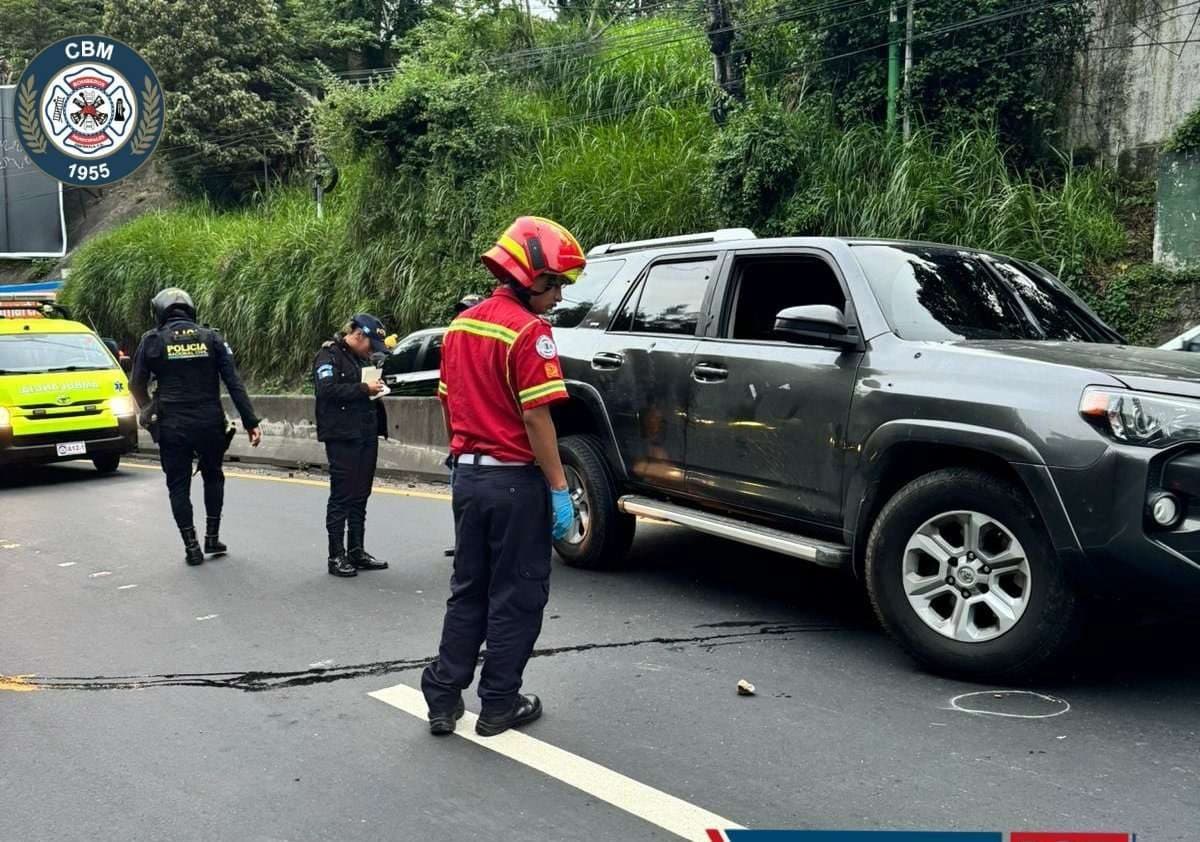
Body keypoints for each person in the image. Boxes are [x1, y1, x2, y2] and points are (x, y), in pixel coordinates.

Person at [422, 216, 582, 738]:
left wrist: (465, 453)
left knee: (468, 588)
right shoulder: (530, 332)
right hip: (515, 483)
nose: (558, 295)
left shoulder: (461, 326)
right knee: (517, 594)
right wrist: (560, 489)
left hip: (468, 479)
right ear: (530, 277)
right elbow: (538, 417)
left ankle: (444, 698)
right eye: (555, 283)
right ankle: (498, 704)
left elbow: (449, 403)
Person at [131, 288, 262, 566]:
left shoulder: (152, 341)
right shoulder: (211, 338)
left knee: (178, 485)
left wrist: (148, 409)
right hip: (209, 422)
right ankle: (212, 537)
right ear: (190, 310)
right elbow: (234, 382)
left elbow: (136, 384)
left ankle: (191, 547)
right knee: (213, 475)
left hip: (172, 424)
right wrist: (251, 422)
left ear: (160, 312)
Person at [313, 314, 391, 577]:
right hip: (342, 436)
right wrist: (362, 388)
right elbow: (326, 390)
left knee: (361, 495)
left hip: (366, 433)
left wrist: (376, 388)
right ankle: (336, 556)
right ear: (359, 335)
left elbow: (366, 390)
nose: (371, 351)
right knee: (342, 496)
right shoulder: (329, 355)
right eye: (370, 345)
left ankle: (356, 550)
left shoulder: (362, 359)